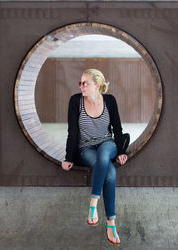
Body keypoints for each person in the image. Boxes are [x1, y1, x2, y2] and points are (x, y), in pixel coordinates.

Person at [61, 69, 128, 246]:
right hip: (86, 148)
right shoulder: (76, 101)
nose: (81, 86)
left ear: (97, 85)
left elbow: (118, 129)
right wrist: (69, 157)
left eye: (85, 83)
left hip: (107, 144)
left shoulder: (110, 101)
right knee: (110, 173)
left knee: (104, 154)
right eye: (80, 83)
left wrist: (121, 151)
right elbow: (73, 131)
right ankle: (111, 224)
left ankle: (93, 204)